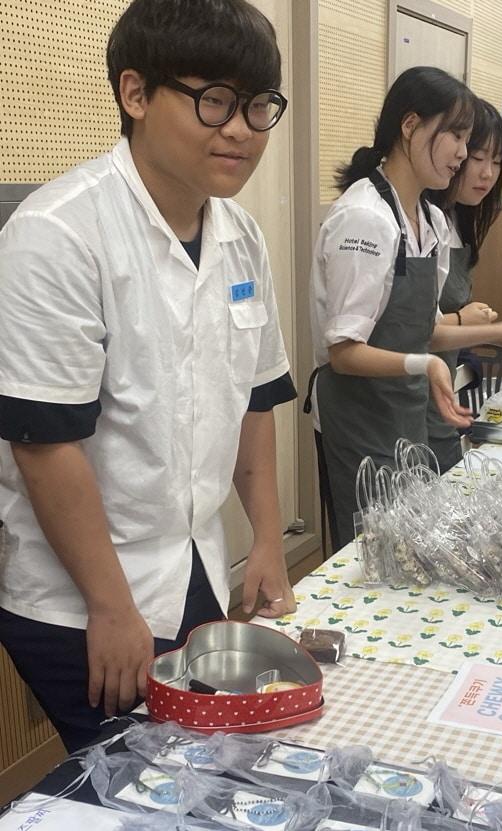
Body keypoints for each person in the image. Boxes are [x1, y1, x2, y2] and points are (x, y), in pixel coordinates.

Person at [0, 0, 299, 751]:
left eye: (258, 105)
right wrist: (109, 606)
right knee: (140, 780)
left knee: (214, 762)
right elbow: (44, 442)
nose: (241, 129)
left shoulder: (241, 236)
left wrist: (266, 540)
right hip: (81, 595)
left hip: (193, 563)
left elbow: (254, 398)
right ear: (135, 93)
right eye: (215, 100)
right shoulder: (57, 234)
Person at [309, 67, 502, 549]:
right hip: (358, 420)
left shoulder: (432, 221)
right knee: (370, 555)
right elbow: (344, 352)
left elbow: (428, 330)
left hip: (406, 414)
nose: (463, 154)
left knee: (412, 551)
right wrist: (426, 365)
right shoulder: (364, 218)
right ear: (410, 126)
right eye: (457, 137)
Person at [425, 99, 502, 471]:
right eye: (477, 157)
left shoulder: (458, 220)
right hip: (411, 396)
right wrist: (464, 320)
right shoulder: (422, 222)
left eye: (497, 162)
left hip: (442, 393)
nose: (487, 173)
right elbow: (405, 328)